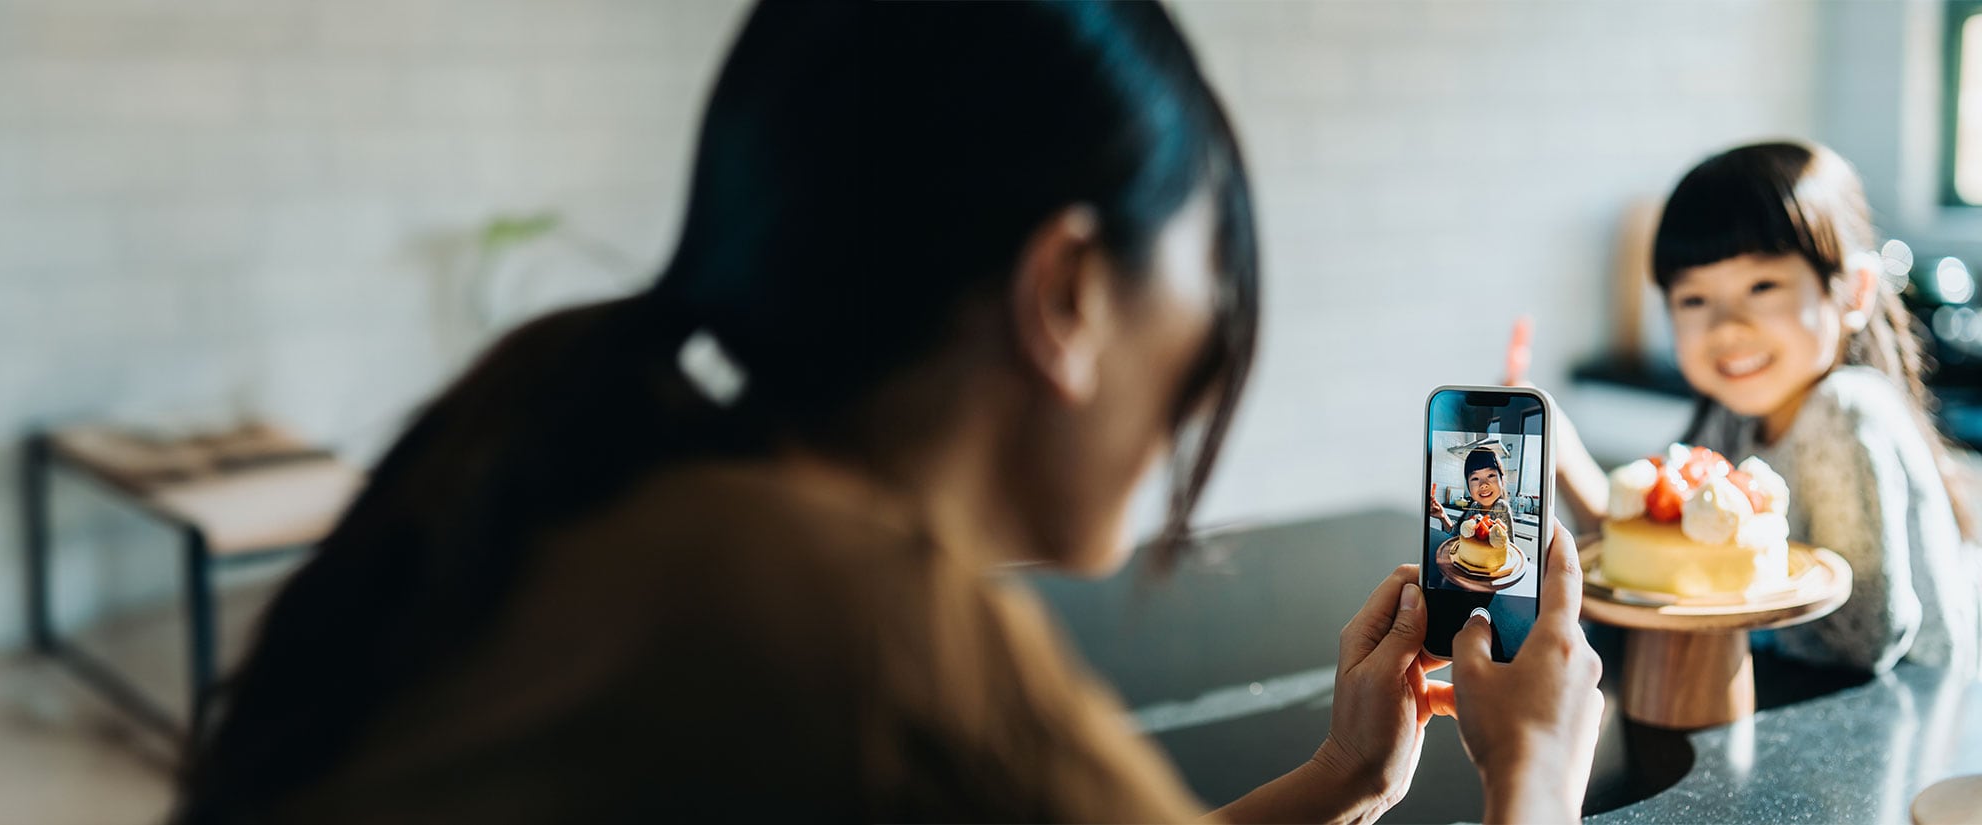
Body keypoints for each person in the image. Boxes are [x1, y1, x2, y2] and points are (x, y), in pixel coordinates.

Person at [176, 2, 1603, 822]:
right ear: (1067, 292)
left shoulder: (637, 468)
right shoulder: (855, 621)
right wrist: (1531, 778)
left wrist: (1342, 780)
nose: (1208, 362)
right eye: (1206, 278)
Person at [1521, 141, 1979, 674]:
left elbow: (1865, 637)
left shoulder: (1844, 412)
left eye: (1762, 285)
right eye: (1694, 299)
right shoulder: (1734, 412)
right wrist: (1557, 443)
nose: (1726, 326)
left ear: (1854, 293)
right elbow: (1657, 560)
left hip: (1910, 722)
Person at [1431, 447, 1514, 535]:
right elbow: (1460, 534)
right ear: (1468, 485)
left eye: (1490, 475)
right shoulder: (1475, 506)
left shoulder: (1500, 507)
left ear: (1501, 479)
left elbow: (1505, 546)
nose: (1483, 485)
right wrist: (1443, 516)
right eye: (1475, 478)